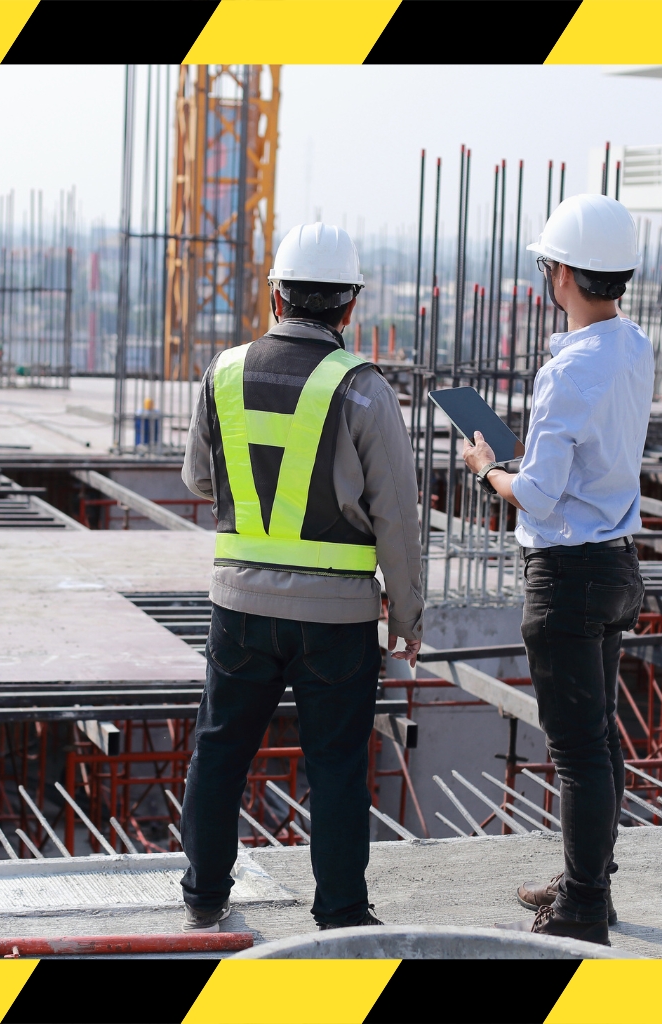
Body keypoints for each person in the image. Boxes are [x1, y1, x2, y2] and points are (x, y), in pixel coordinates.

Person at [178, 223, 424, 933]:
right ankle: (342, 913)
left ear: (276, 294)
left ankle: (203, 896)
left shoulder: (222, 371)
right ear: (349, 307)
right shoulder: (364, 389)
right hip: (338, 620)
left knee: (220, 750)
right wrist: (407, 617)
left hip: (240, 609)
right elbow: (398, 521)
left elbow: (199, 476)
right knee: (339, 766)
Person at [462, 194, 652, 946]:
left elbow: (537, 495)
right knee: (600, 740)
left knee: (578, 751)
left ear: (562, 273)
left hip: (568, 573)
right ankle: (586, 885)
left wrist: (487, 468)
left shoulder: (567, 370)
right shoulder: (633, 345)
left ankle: (580, 908)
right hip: (616, 564)